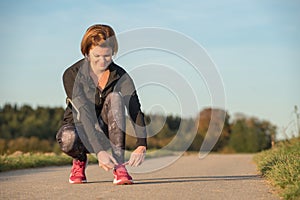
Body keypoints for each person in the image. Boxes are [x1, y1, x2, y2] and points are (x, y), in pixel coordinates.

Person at [56, 24, 147, 185]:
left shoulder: (121, 76)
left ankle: (119, 166)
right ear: (86, 52)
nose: (102, 61)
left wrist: (141, 145)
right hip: (79, 128)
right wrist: (99, 152)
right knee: (67, 138)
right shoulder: (71, 74)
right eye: (96, 55)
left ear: (113, 53)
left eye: (107, 56)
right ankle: (79, 160)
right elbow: (84, 113)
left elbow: (135, 110)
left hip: (108, 131)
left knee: (116, 98)